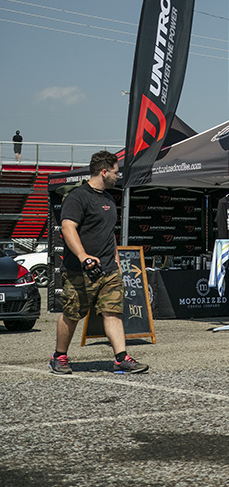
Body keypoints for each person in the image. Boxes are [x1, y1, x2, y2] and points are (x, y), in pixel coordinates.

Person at [50, 151, 148, 375]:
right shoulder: (77, 197)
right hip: (80, 270)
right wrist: (83, 256)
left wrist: (117, 261)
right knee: (72, 314)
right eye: (115, 172)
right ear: (104, 172)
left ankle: (121, 358)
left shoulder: (108, 199)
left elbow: (108, 234)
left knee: (113, 312)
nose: (117, 176)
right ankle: (59, 357)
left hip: (109, 270)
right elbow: (67, 228)